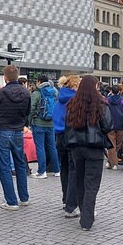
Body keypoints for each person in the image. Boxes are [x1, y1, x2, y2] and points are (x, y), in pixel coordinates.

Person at [64, 75, 112, 231]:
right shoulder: (100, 103)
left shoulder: (72, 103)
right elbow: (107, 125)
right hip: (95, 148)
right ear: (95, 86)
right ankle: (87, 218)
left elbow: (67, 125)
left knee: (80, 181)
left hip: (77, 147)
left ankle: (85, 214)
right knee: (91, 184)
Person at [0, 65, 31, 211]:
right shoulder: (26, 93)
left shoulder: (0, 93)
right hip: (18, 131)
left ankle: (11, 201)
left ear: (5, 78)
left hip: (3, 130)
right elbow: (27, 112)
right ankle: (24, 198)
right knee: (20, 164)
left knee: (5, 167)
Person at [52, 75, 81, 217]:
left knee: (64, 168)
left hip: (59, 135)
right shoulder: (76, 99)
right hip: (71, 135)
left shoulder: (59, 97)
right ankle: (71, 203)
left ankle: (65, 199)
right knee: (73, 169)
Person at [28, 75, 60, 179]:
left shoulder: (37, 93)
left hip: (38, 123)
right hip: (51, 124)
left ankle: (42, 171)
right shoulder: (54, 92)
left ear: (39, 81)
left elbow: (32, 108)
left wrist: (29, 121)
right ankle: (57, 170)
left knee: (40, 147)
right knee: (52, 147)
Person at [106, 85, 123, 170]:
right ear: (119, 91)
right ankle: (114, 162)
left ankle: (112, 163)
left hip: (110, 125)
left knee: (111, 145)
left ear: (111, 92)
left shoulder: (107, 100)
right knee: (118, 144)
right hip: (121, 125)